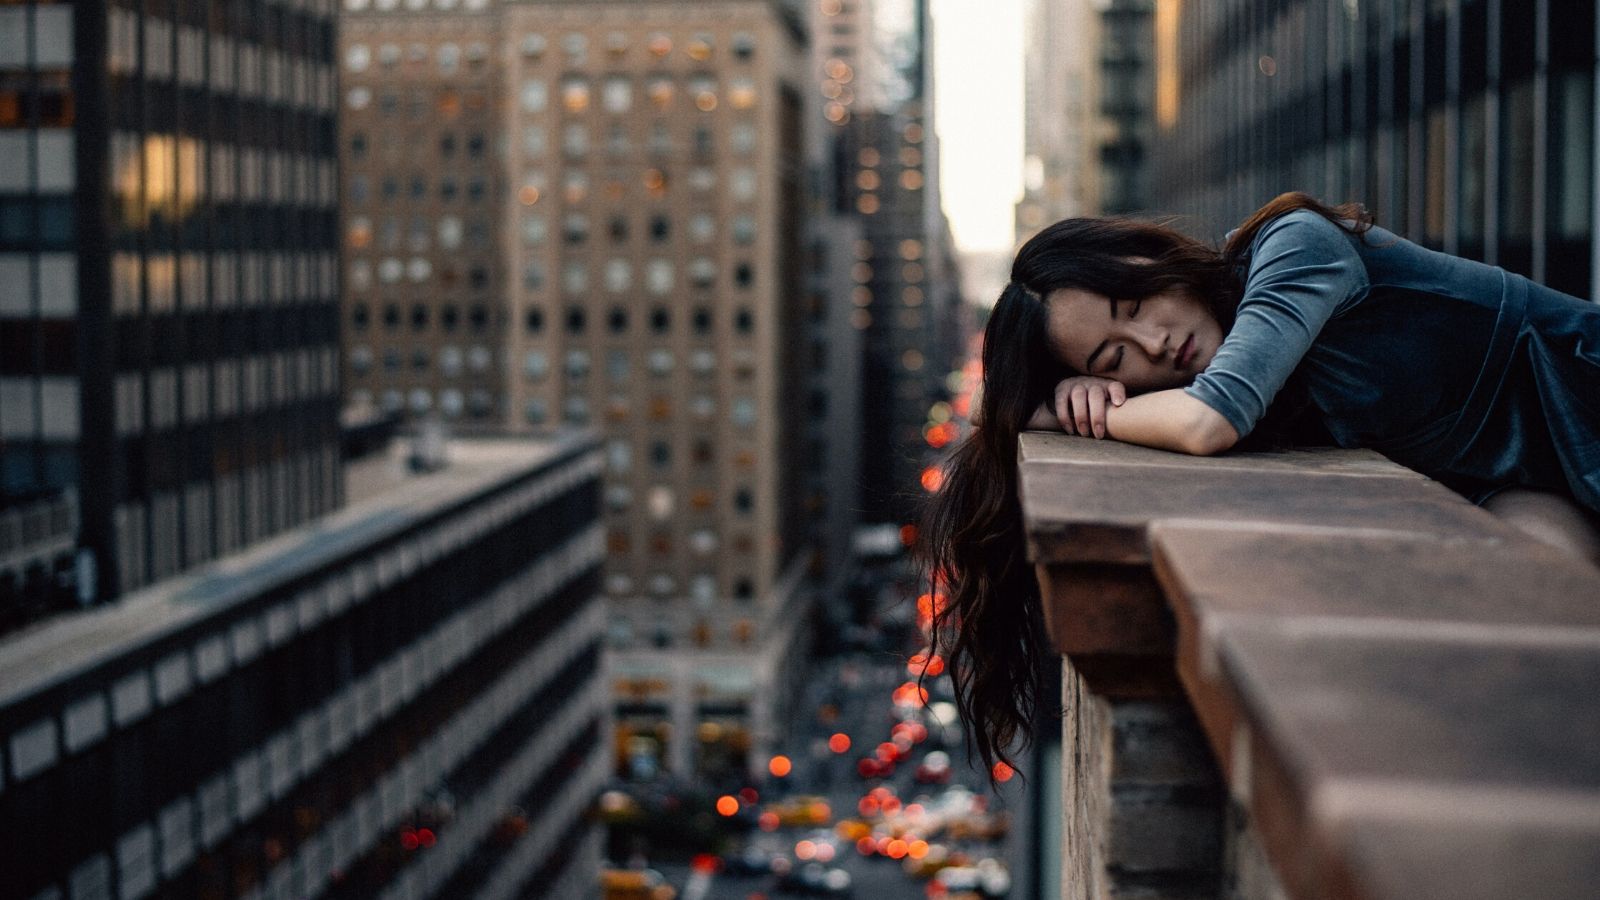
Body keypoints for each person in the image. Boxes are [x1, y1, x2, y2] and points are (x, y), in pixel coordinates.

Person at [919, 191, 1600, 777]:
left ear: (1152, 255)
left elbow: (1210, 421)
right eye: (1114, 357)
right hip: (1520, 479)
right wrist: (1062, 401)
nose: (1154, 344)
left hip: (1582, 405)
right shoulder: (1252, 376)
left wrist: (1069, 412)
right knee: (1537, 615)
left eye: (1135, 302)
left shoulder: (1294, 246)